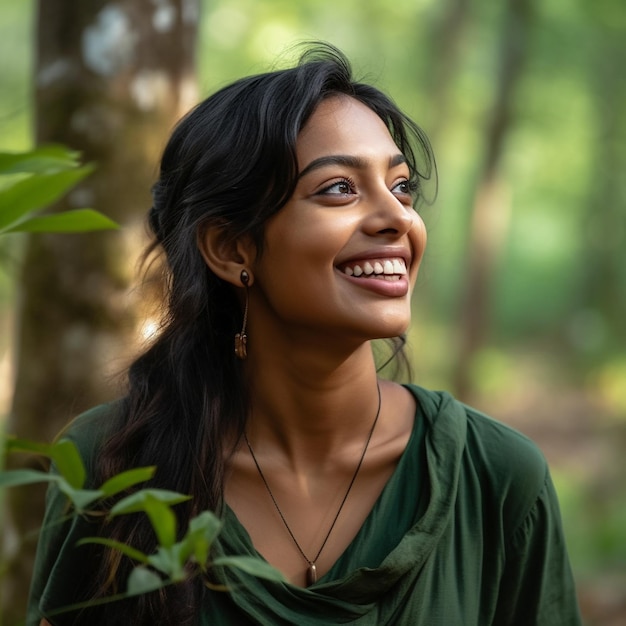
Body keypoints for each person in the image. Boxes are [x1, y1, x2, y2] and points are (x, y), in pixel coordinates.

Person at [27, 43, 582, 625]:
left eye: (400, 186)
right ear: (229, 247)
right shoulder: (114, 462)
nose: (399, 218)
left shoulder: (496, 477)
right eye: (339, 187)